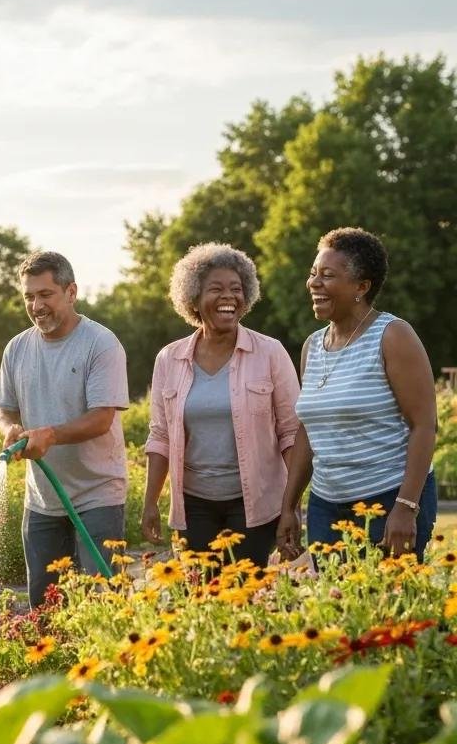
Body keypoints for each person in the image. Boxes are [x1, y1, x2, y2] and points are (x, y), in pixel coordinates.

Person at [277, 227, 437, 560]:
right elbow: (308, 430)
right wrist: (289, 506)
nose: (314, 283)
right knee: (337, 604)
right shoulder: (312, 347)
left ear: (361, 287)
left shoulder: (393, 336)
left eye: (327, 275)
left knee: (391, 606)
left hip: (388, 499)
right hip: (325, 505)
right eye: (313, 274)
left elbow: (424, 425)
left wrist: (406, 507)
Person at [141, 243, 300, 565]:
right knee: (201, 601)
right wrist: (150, 503)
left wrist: (291, 507)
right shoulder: (169, 359)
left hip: (255, 504)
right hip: (193, 504)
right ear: (194, 300)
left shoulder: (270, 353)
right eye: (216, 289)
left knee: (246, 598)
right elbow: (160, 437)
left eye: (236, 289)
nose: (229, 296)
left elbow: (292, 434)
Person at [0, 250, 129, 606]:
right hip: (42, 500)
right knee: (44, 603)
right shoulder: (17, 348)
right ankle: (49, 663)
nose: (36, 305)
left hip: (98, 494)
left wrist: (51, 434)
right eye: (29, 296)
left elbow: (102, 417)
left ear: (71, 292)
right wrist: (10, 428)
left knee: (103, 601)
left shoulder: (100, 344)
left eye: (45, 294)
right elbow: (3, 411)